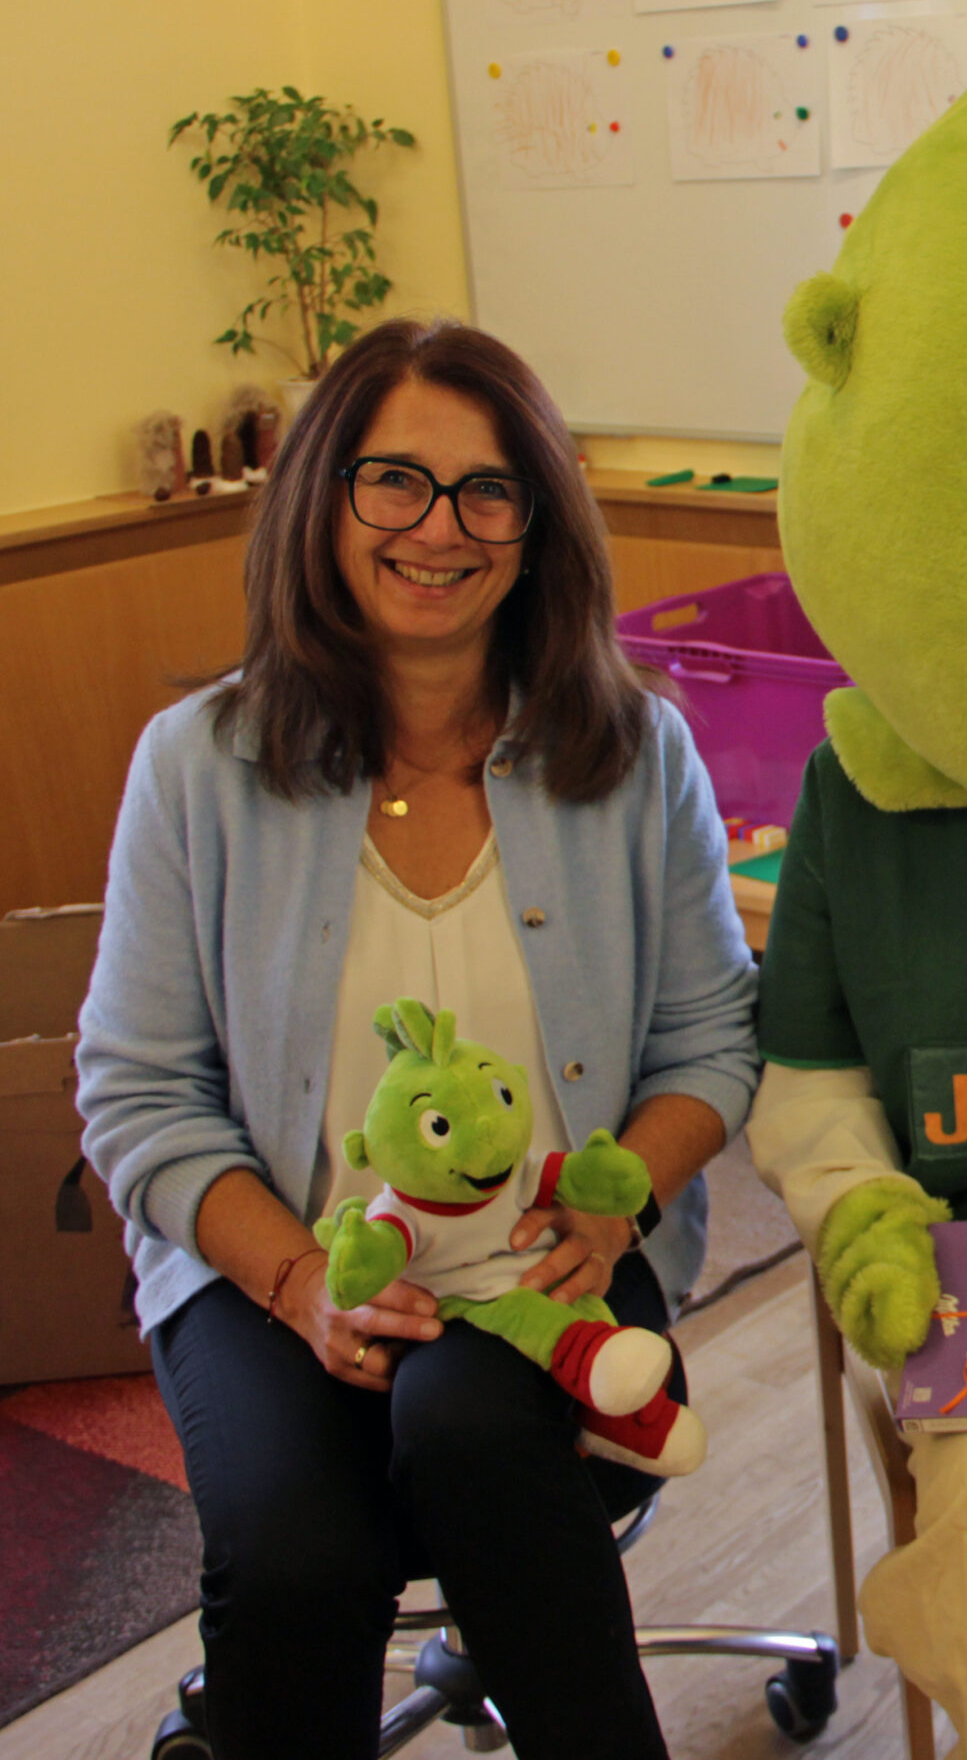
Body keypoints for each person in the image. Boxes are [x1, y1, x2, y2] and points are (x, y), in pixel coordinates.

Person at [77, 318, 760, 1760]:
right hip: (276, 1258)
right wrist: (299, 1281)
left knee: (472, 1432)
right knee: (293, 1555)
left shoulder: (635, 758)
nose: (439, 529)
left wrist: (615, 1191)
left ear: (537, 524)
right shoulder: (197, 768)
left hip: (550, 1268)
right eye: (394, 481)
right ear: (324, 498)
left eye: (487, 490)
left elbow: (714, 1042)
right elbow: (136, 1094)